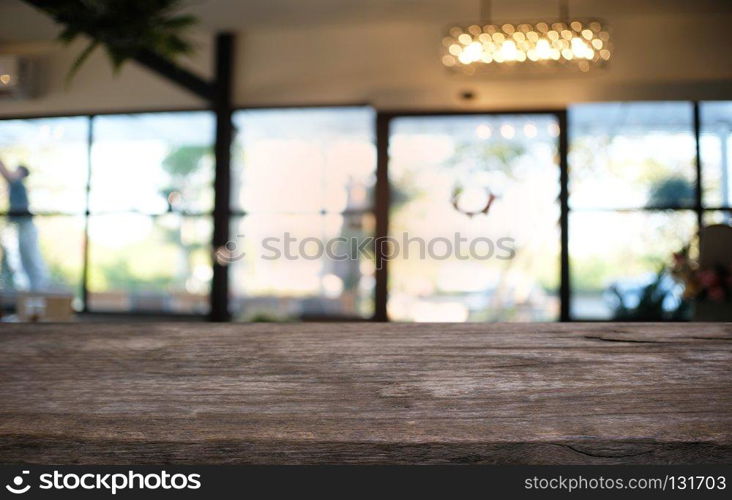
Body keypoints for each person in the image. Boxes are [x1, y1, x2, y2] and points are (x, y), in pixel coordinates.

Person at [0, 158, 47, 291]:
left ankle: (36, 291)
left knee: (28, 258)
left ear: (21, 174)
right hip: (19, 226)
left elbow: (6, 174)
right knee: (14, 259)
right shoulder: (15, 186)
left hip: (25, 226)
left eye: (17, 171)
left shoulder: (18, 184)